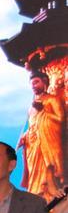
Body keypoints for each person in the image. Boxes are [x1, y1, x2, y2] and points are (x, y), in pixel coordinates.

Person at [18, 71, 64, 203]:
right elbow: (33, 125)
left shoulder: (52, 99)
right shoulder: (32, 106)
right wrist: (25, 137)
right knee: (34, 174)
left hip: (47, 142)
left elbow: (60, 119)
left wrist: (44, 110)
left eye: (36, 82)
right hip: (33, 145)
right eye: (32, 83)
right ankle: (34, 198)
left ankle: (49, 199)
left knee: (48, 173)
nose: (34, 86)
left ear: (45, 83)